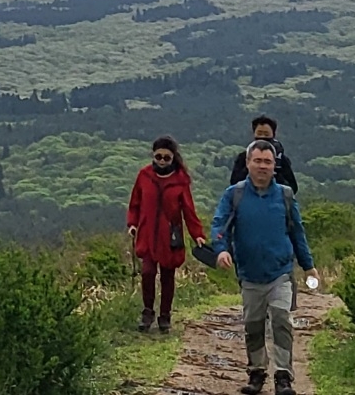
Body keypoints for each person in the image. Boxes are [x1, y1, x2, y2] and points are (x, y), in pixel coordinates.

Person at [212, 139, 319, 395]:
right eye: (257, 160)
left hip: (280, 273)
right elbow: (219, 226)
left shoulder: (285, 195)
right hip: (249, 274)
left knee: (282, 320)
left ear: (274, 166)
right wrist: (221, 249)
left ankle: (283, 377)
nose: (262, 166)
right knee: (254, 325)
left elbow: (297, 233)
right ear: (248, 163)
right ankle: (256, 373)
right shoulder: (234, 194)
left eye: (267, 162)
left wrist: (308, 266)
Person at [126, 135, 207, 334]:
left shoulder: (180, 180)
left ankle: (165, 315)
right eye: (158, 157)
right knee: (147, 273)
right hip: (147, 232)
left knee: (168, 276)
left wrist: (197, 234)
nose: (162, 161)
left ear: (173, 158)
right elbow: (135, 203)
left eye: (166, 158)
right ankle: (147, 312)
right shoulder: (144, 175)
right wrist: (132, 224)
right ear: (153, 156)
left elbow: (188, 210)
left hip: (170, 235)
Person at [228, 114, 298, 191]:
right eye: (259, 133)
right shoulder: (243, 157)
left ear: (273, 135)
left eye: (266, 134)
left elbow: (292, 188)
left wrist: (276, 175)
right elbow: (234, 183)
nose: (263, 137)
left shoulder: (281, 159)